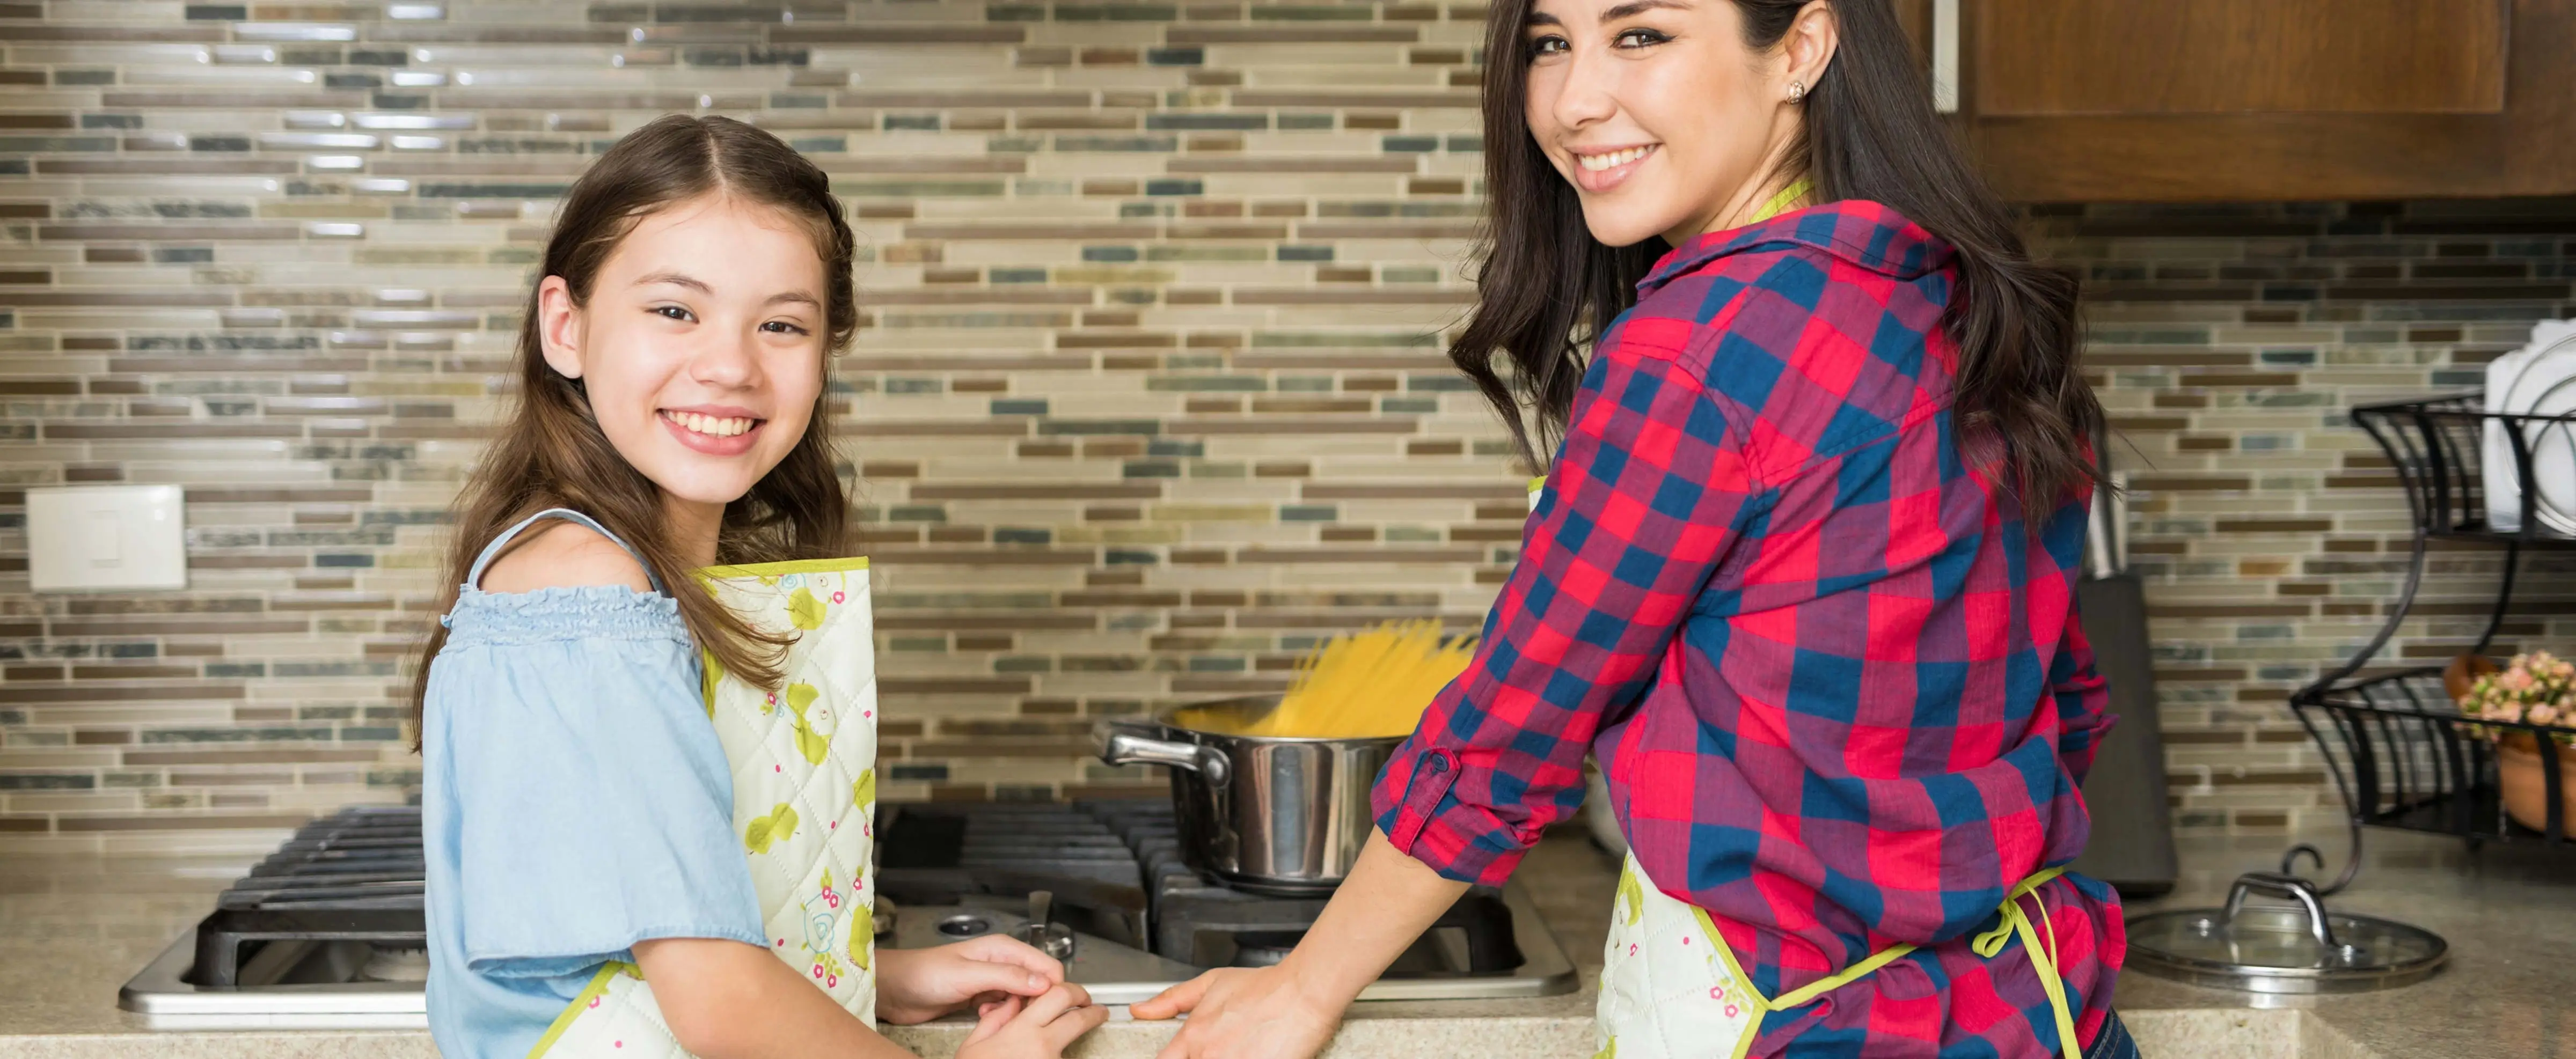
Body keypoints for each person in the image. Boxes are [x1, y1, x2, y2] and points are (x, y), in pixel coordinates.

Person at [1132, 1, 2140, 1057]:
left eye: (1642, 35)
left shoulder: (1698, 348)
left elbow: (1509, 734)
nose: (1576, 101)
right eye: (1550, 44)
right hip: (2041, 1007)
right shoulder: (1970, 300)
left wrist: (1303, 987)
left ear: (1800, 47)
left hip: (1808, 1026)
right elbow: (2060, 699)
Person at [410, 115, 1108, 1059]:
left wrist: (868, 974)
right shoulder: (582, 592)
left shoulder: (652, 576)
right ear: (565, 327)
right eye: (674, 310)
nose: (731, 364)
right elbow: (719, 1002)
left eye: (781, 324)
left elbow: (641, 932)